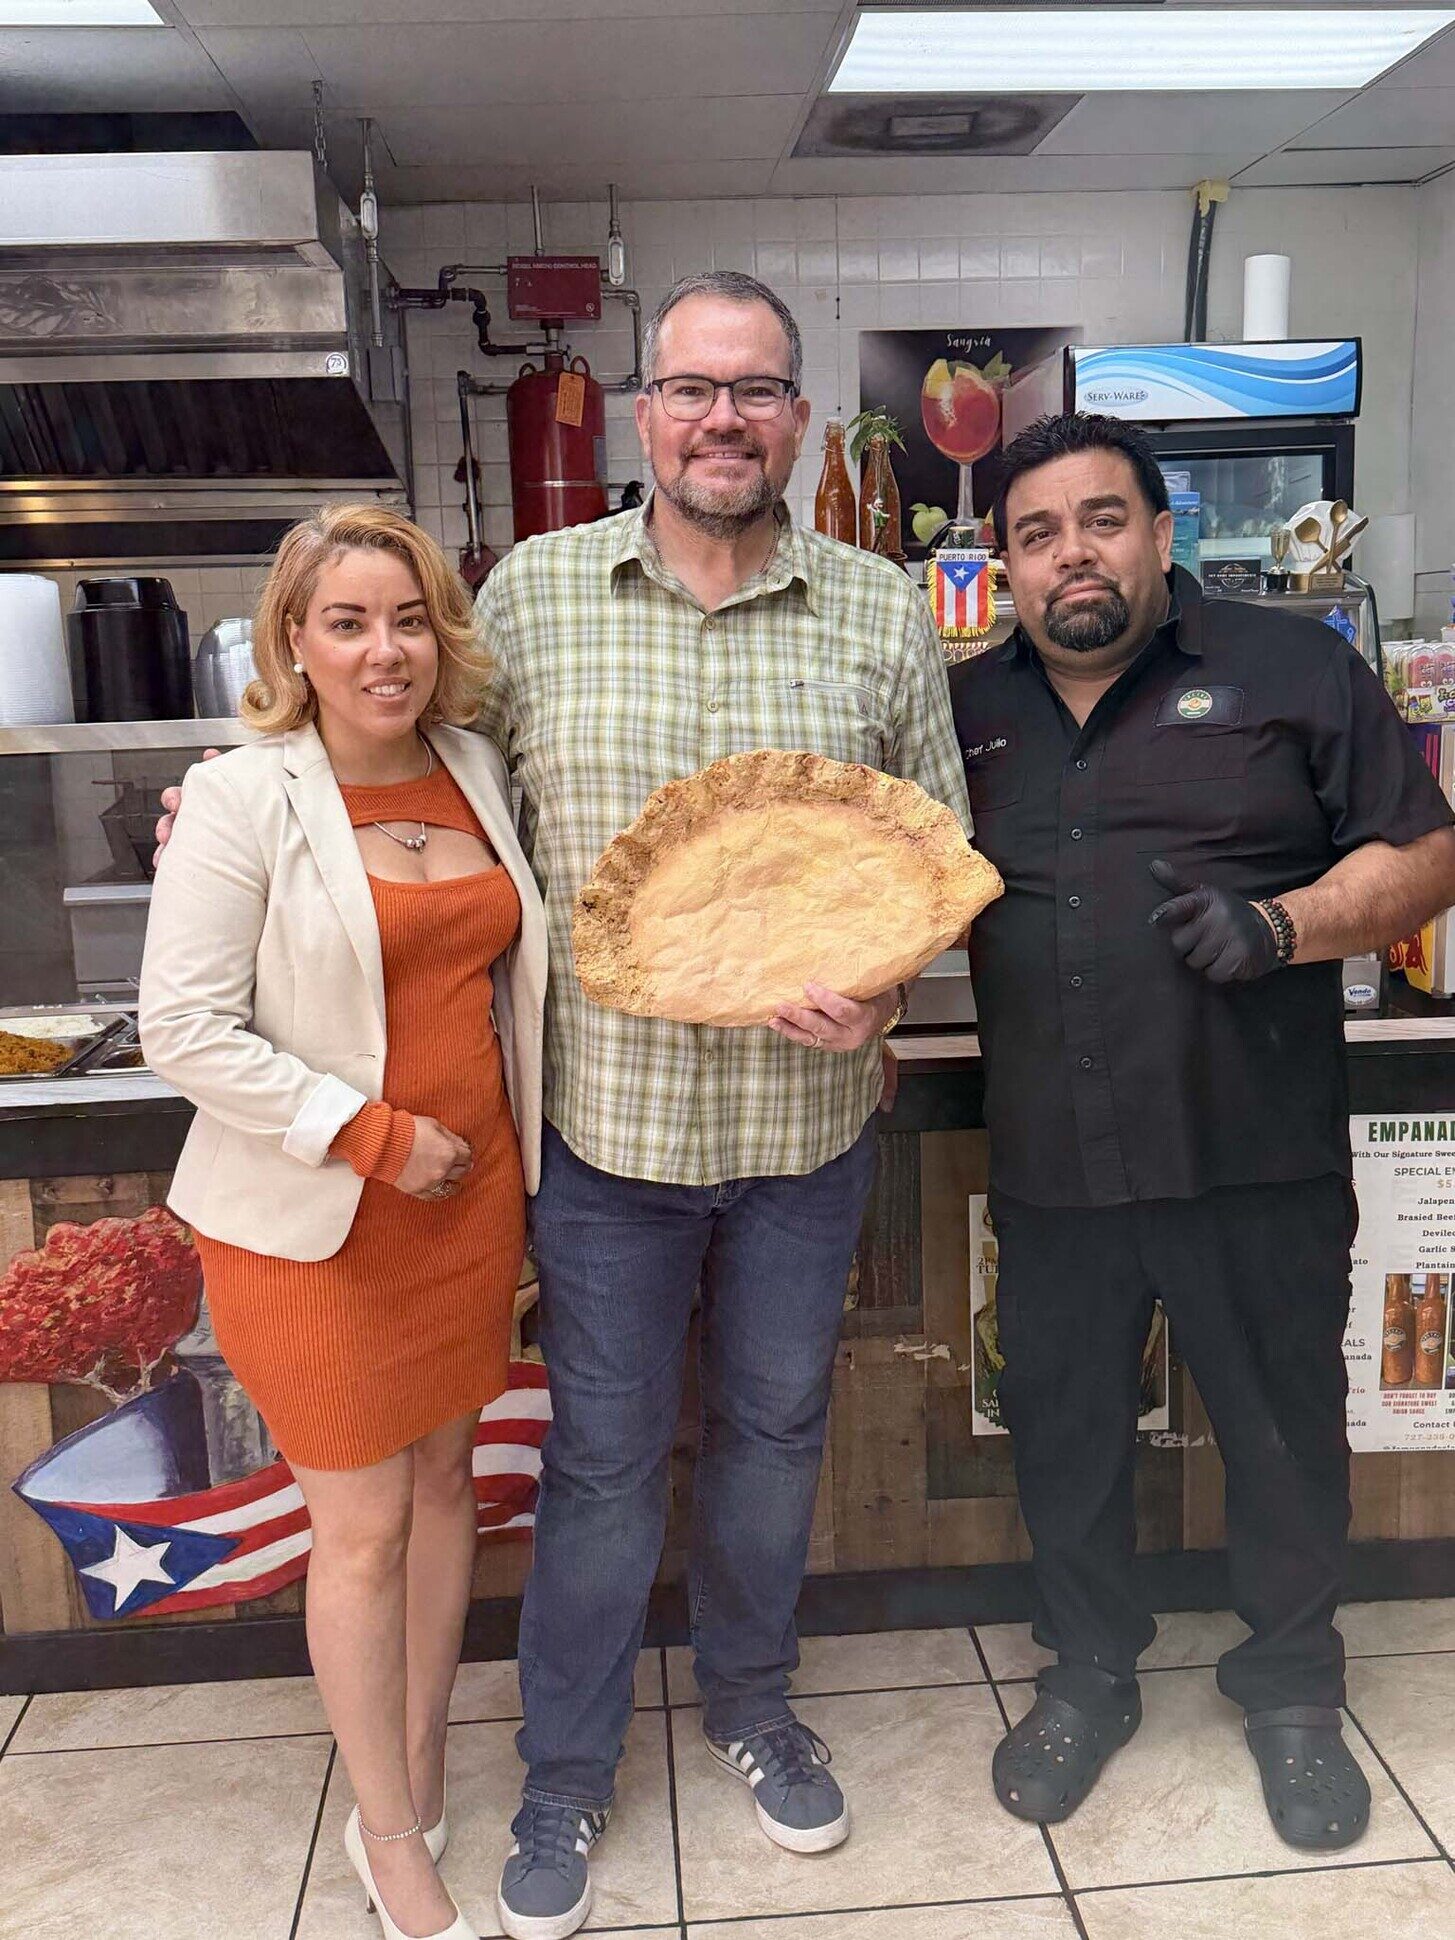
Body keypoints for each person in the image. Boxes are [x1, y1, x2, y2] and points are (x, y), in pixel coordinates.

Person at [155, 273, 969, 1940]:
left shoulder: (882, 609)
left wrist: (880, 991)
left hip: (808, 1135)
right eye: (690, 390)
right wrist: (227, 800)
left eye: (754, 391)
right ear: (641, 411)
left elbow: (930, 858)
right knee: (597, 1466)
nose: (722, 419)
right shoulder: (526, 600)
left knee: (771, 1440)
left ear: (798, 418)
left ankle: (749, 1701)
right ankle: (565, 1771)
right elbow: (393, 760)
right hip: (604, 1141)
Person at [951, 412, 1455, 1852]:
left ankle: (1293, 1690)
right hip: (1053, 1158)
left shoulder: (1292, 668)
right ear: (1008, 566)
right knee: (1065, 1438)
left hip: (1255, 1150)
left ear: (1163, 538)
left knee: (1285, 1433)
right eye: (1038, 535)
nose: (1072, 556)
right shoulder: (973, 711)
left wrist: (1285, 923)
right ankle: (1088, 1677)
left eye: (1101, 521)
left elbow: (1428, 856)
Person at [140, 505, 547, 1940]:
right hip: (321, 1218)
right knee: (362, 1527)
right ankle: (389, 1834)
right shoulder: (245, 794)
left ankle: (422, 1759)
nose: (386, 651)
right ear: (295, 646)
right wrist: (372, 1137)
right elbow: (180, 1028)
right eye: (348, 623)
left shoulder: (478, 767)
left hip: (468, 1209)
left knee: (448, 1498)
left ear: (444, 632)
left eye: (410, 618)